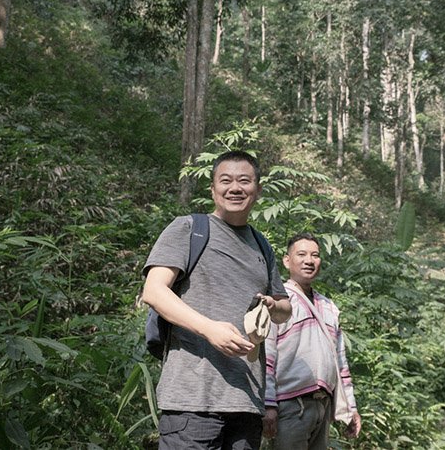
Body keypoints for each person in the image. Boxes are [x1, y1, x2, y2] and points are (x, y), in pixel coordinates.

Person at [142, 150, 292, 450]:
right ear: (213, 189)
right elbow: (154, 291)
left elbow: (284, 307)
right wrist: (209, 328)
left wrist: (273, 307)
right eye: (225, 180)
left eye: (244, 181)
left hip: (247, 402)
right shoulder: (188, 229)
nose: (234, 188)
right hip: (193, 400)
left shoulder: (262, 245)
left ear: (258, 190)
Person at [262, 233, 361, 449]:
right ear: (287, 260)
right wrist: (269, 404)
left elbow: (341, 364)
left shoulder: (329, 307)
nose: (309, 260)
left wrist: (350, 408)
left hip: (322, 407)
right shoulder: (279, 301)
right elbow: (267, 356)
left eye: (315, 255)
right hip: (290, 406)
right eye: (302, 254)